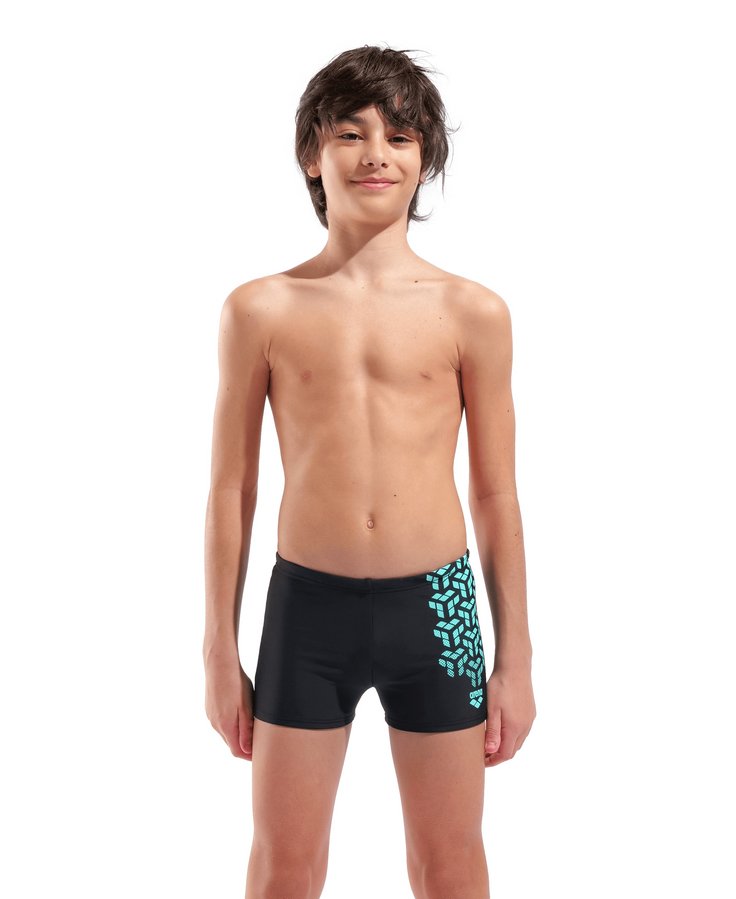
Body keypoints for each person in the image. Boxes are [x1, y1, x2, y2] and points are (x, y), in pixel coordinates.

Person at [203, 44, 535, 899]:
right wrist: (218, 648)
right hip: (306, 610)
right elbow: (232, 488)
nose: (375, 153)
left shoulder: (472, 312)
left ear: (425, 159)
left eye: (399, 135)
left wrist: (517, 658)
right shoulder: (261, 308)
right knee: (284, 867)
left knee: (450, 865)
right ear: (313, 156)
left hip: (440, 607)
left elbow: (496, 492)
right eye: (350, 134)